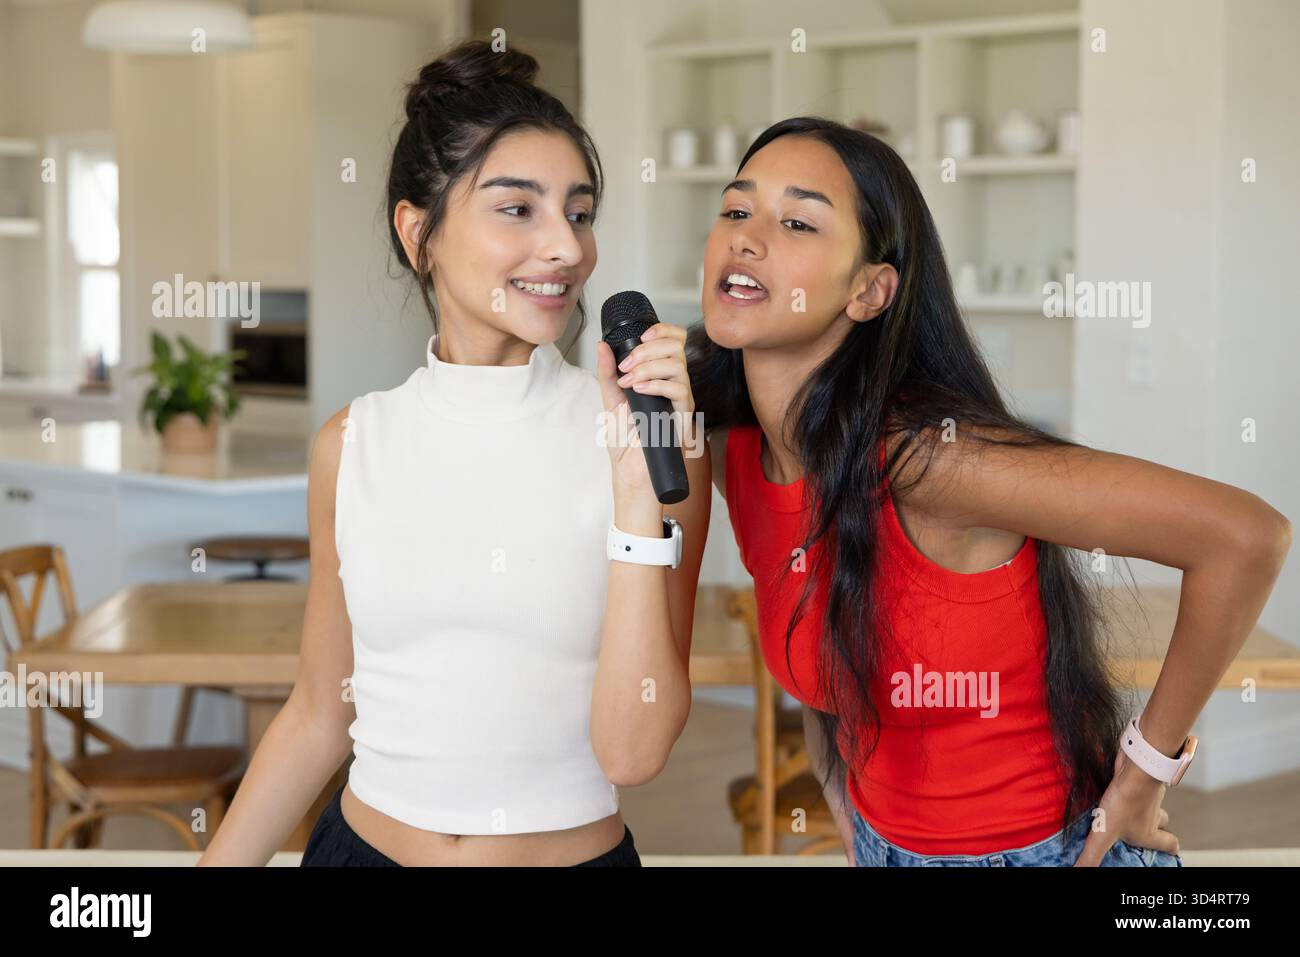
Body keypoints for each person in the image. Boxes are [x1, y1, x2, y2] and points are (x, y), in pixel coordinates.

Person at [687, 116, 1291, 866]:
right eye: (736, 209)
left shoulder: (927, 458)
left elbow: (1244, 536)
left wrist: (1144, 775)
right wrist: (844, 800)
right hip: (882, 843)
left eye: (798, 221)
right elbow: (820, 641)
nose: (746, 237)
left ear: (870, 292)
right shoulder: (740, 450)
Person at [199, 40, 709, 867]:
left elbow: (634, 752)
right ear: (419, 232)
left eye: (579, 213)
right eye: (519, 209)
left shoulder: (654, 441)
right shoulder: (351, 444)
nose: (567, 248)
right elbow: (322, 710)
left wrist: (634, 498)